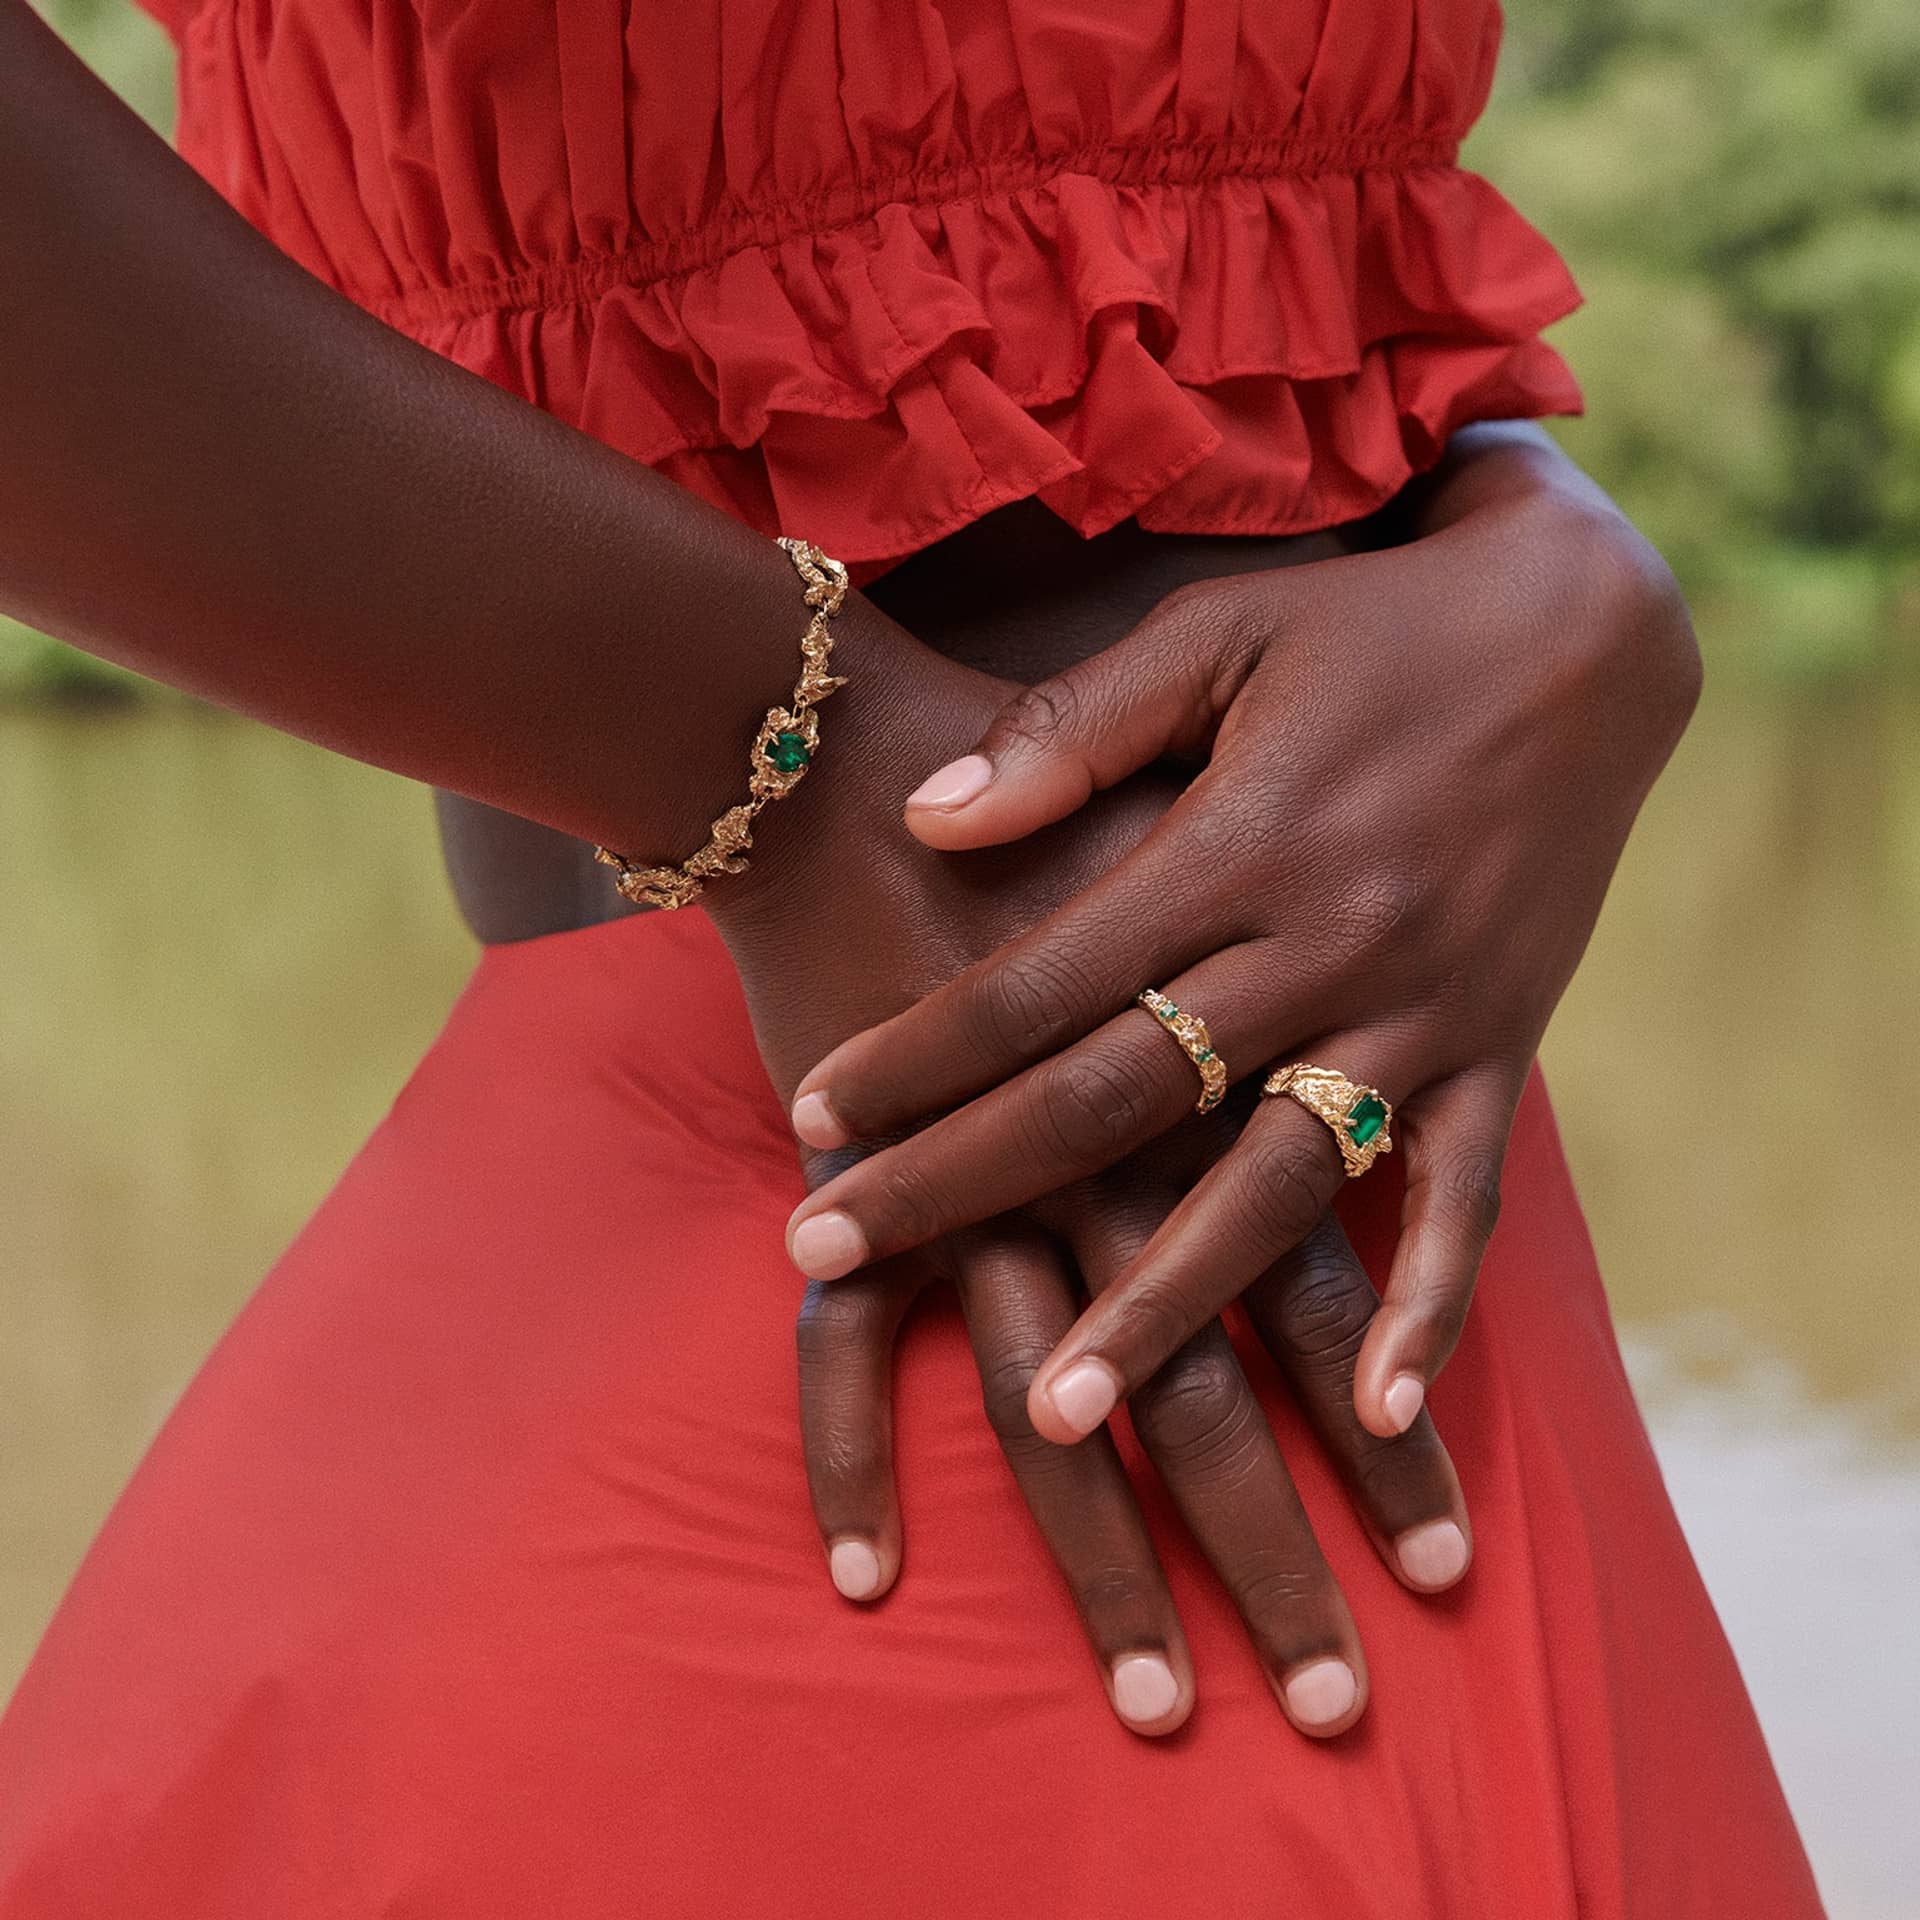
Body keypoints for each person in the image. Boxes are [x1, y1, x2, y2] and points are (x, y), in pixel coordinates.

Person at [0, 0, 1825, 1913]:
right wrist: (789, 761)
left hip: (1382, 1185)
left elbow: (1252, 225)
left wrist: (1548, 539)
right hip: (836, 1268)